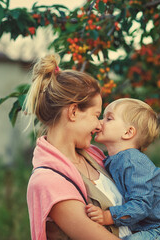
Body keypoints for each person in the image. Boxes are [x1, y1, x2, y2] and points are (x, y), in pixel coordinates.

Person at [24, 54, 132, 240]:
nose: (99, 125)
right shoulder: (48, 182)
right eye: (95, 115)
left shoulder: (95, 156)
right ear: (73, 112)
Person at [86, 98, 160, 240]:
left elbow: (141, 204)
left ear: (128, 133)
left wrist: (107, 216)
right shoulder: (116, 160)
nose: (100, 122)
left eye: (108, 118)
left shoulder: (131, 161)